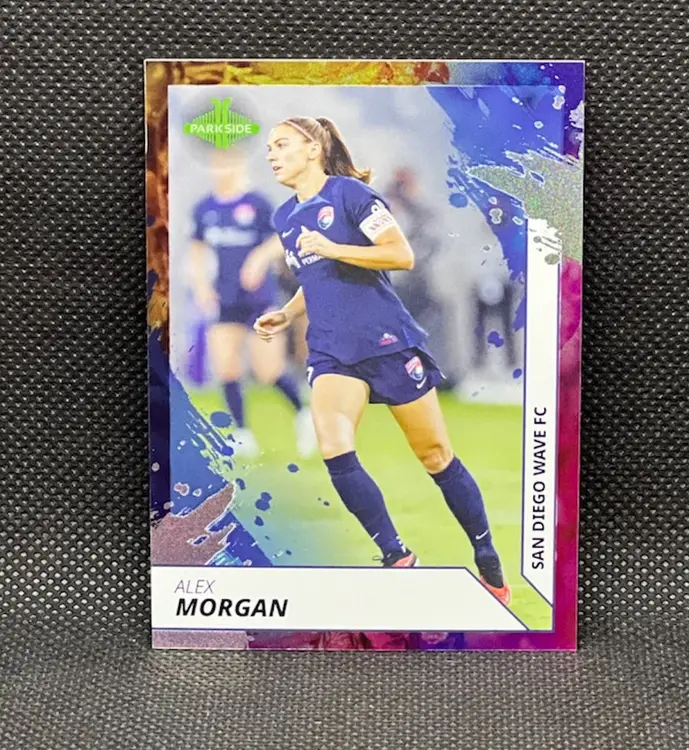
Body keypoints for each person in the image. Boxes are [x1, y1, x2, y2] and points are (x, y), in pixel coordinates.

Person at [254, 117, 511, 604]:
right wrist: (287, 314)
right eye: (269, 147)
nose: (272, 154)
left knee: (435, 455)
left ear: (313, 149)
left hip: (387, 342)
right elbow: (315, 280)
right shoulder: (284, 217)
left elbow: (400, 254)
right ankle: (397, 556)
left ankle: (488, 561)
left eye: (282, 144)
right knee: (334, 446)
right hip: (332, 351)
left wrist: (334, 246)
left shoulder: (351, 195)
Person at [188, 148, 316, 458]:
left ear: (239, 165)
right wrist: (201, 286)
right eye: (217, 165)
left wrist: (258, 258)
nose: (222, 171)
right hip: (224, 298)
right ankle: (242, 433)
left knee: (268, 371)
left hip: (258, 300)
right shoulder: (204, 208)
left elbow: (280, 239)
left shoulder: (257, 204)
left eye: (227, 164)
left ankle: (304, 415)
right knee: (226, 368)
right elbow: (197, 250)